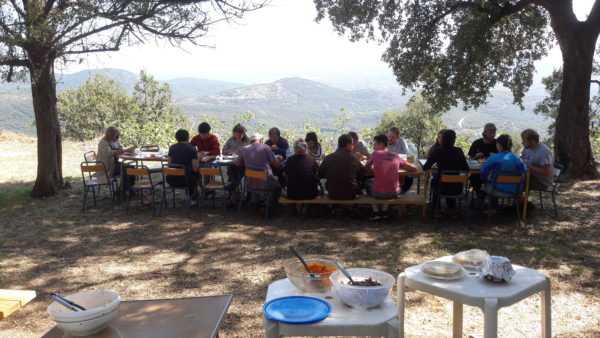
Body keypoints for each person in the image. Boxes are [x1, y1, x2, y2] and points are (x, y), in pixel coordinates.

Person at [365, 134, 417, 221]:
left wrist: (376, 171)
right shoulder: (396, 156)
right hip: (394, 193)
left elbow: (366, 167)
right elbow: (414, 169)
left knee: (367, 183)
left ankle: (376, 212)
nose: (373, 147)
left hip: (378, 193)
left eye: (375, 144)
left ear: (381, 144)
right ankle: (385, 211)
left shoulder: (375, 153)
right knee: (391, 184)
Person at [422, 129, 469, 217]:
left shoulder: (438, 151)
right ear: (454, 140)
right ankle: (451, 209)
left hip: (441, 187)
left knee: (435, 181)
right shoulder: (459, 151)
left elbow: (425, 167)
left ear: (442, 139)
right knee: (450, 181)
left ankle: (437, 209)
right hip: (457, 188)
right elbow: (466, 169)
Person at [479, 135, 526, 207]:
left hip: (496, 189)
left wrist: (486, 180)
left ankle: (492, 209)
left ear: (498, 145)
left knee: (489, 184)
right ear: (510, 146)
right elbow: (524, 173)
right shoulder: (518, 160)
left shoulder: (493, 158)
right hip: (515, 190)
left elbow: (483, 175)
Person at [236, 133, 282, 208]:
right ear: (260, 140)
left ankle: (255, 202)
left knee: (256, 180)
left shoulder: (243, 149)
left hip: (250, 183)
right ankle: (270, 206)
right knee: (278, 186)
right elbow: (276, 165)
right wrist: (279, 159)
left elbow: (237, 163)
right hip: (266, 183)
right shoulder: (265, 147)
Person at [318, 134, 365, 200]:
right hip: (351, 194)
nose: (353, 146)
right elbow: (361, 176)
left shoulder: (328, 158)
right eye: (352, 144)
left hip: (333, 194)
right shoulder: (354, 159)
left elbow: (320, 174)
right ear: (348, 145)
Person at [96, 126, 135, 194]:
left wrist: (128, 150)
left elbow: (120, 148)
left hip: (114, 164)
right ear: (110, 135)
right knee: (126, 169)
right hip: (107, 167)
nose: (117, 138)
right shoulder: (103, 142)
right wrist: (125, 150)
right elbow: (109, 153)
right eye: (116, 136)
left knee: (132, 168)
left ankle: (130, 189)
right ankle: (121, 191)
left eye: (118, 136)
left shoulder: (114, 141)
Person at [166, 129, 199, 199]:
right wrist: (198, 159)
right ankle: (193, 197)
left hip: (171, 179)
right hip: (186, 180)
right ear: (188, 138)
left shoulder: (172, 148)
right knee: (195, 173)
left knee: (188, 173)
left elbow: (169, 165)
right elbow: (195, 169)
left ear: (176, 138)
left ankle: (192, 196)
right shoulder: (192, 148)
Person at [468, 123, 498, 198]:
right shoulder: (477, 143)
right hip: (478, 171)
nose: (492, 134)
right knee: (474, 178)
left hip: (493, 171)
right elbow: (470, 158)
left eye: (494, 132)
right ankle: (480, 195)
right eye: (490, 132)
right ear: (484, 132)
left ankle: (492, 203)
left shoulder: (497, 144)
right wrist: (476, 157)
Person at [387, 127, 413, 192]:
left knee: (409, 179)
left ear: (398, 137)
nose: (390, 138)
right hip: (388, 169)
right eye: (389, 136)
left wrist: (396, 156)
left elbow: (408, 155)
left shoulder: (401, 141)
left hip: (400, 167)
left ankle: (401, 193)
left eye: (393, 137)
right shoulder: (386, 142)